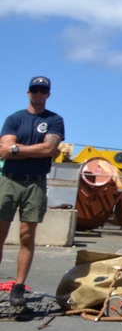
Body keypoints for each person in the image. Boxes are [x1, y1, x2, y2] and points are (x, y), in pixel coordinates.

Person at [0, 76, 66, 307]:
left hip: (35, 183)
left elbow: (49, 147)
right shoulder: (14, 119)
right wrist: (34, 151)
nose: (38, 94)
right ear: (28, 93)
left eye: (43, 91)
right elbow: (5, 150)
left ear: (48, 94)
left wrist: (18, 149)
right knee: (0, 232)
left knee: (27, 236)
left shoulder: (55, 120)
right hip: (9, 181)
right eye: (34, 90)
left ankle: (18, 286)